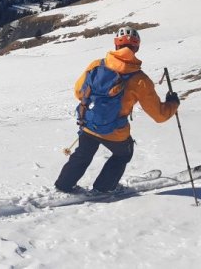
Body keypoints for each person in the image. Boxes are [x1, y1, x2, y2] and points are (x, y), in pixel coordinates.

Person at [54, 26, 180, 194]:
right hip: (115, 131)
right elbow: (159, 116)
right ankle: (104, 188)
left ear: (116, 45)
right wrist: (173, 103)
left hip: (88, 122)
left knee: (83, 154)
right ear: (137, 47)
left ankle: (63, 185)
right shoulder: (140, 80)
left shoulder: (96, 65)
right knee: (123, 154)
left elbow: (79, 92)